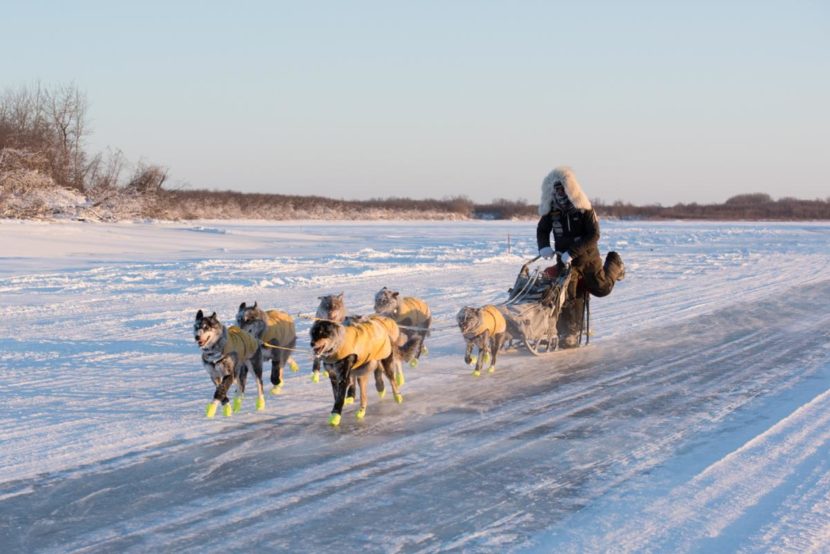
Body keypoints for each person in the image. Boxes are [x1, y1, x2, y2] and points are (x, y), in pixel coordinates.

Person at [536, 166, 625, 348]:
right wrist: (544, 246)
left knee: (602, 289)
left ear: (571, 189)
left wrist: (572, 252)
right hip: (564, 261)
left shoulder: (584, 209)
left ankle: (615, 262)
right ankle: (569, 333)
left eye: (563, 189)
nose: (560, 193)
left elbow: (594, 235)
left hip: (587, 259)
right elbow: (542, 230)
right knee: (567, 295)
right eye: (556, 190)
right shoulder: (552, 211)